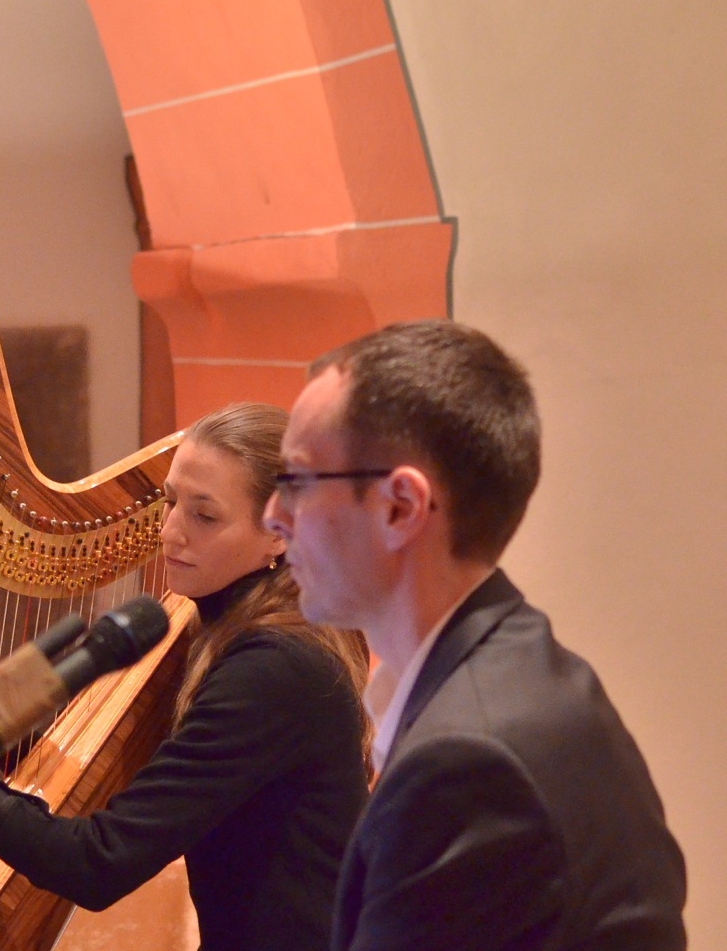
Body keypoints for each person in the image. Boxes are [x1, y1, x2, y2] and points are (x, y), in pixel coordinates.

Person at [0, 402, 371, 951]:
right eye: (170, 501)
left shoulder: (273, 669)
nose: (171, 532)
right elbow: (154, 801)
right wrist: (8, 739)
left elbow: (97, 863)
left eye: (204, 515)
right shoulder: (245, 631)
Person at [262, 319, 686, 951]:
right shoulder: (528, 673)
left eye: (296, 481)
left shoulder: (467, 763)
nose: (274, 516)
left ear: (400, 508)